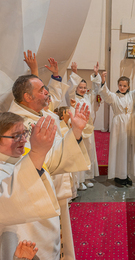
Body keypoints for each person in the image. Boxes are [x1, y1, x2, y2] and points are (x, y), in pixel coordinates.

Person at [8, 74, 91, 260]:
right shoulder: (16, 125)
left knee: (60, 240)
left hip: (52, 189)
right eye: (41, 90)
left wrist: (75, 131)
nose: (47, 92)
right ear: (28, 97)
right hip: (35, 200)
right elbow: (43, 163)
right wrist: (74, 133)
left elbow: (53, 154)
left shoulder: (44, 115)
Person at [0, 112, 60, 259]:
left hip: (44, 242)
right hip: (21, 247)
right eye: (16, 136)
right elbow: (9, 201)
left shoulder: (20, 159)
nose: (24, 140)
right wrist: (37, 153)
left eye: (24, 133)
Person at [99, 65, 135, 186]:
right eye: (120, 85)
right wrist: (102, 81)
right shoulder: (114, 96)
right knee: (119, 149)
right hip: (118, 125)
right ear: (118, 85)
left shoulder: (132, 95)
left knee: (129, 149)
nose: (122, 87)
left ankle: (126, 174)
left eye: (124, 85)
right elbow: (105, 93)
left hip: (130, 124)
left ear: (128, 86)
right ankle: (118, 175)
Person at [65, 61, 102, 190]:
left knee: (89, 152)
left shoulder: (88, 97)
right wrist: (74, 72)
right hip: (77, 130)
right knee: (79, 153)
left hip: (88, 129)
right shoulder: (71, 97)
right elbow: (69, 88)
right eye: (80, 87)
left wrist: (96, 74)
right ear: (76, 88)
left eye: (84, 87)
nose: (83, 89)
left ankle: (86, 178)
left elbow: (97, 89)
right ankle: (78, 181)